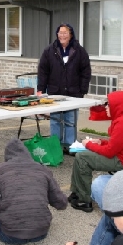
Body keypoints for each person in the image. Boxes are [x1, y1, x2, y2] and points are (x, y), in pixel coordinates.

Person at [0, 138, 68, 245]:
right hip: (41, 232)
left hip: (11, 235)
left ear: (7, 155)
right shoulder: (43, 169)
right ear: (27, 153)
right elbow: (61, 203)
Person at [68, 90, 123, 213]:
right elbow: (117, 144)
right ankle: (77, 192)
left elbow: (110, 151)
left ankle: (84, 200)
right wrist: (100, 142)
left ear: (118, 106)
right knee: (81, 156)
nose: (106, 107)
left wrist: (88, 144)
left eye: (108, 104)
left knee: (82, 157)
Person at [37, 23, 91, 152]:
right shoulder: (49, 50)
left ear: (71, 35)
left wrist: (82, 90)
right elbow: (43, 71)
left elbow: (86, 72)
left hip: (73, 93)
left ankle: (69, 145)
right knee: (55, 120)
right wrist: (41, 90)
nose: (62, 35)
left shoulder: (80, 51)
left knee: (70, 120)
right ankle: (56, 145)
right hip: (54, 92)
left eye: (65, 33)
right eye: (60, 33)